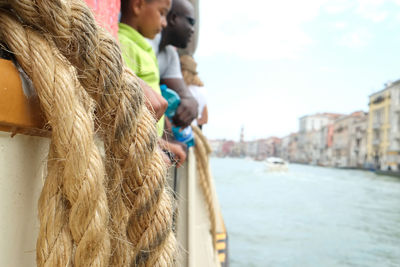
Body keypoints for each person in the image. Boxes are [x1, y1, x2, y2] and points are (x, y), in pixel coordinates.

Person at [119, 0, 186, 167]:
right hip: (132, 153)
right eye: (162, 13)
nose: (164, 23)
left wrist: (160, 144)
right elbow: (122, 111)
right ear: (138, 5)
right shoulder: (124, 44)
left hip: (146, 146)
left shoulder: (141, 47)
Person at [150, 0, 198, 128]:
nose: (192, 30)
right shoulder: (145, 42)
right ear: (173, 18)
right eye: (191, 22)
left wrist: (190, 103)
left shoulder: (170, 54)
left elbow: (186, 97)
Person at [180, 54, 208, 129]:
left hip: (179, 132)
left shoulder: (183, 89)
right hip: (191, 133)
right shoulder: (202, 89)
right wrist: (193, 123)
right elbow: (204, 119)